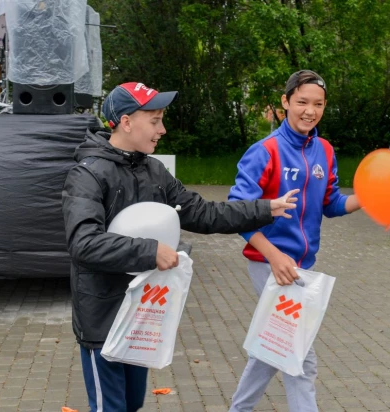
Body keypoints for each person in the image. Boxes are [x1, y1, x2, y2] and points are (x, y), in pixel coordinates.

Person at [61, 82, 299, 412]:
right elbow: (83, 243)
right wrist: (149, 251)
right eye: (155, 120)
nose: (163, 129)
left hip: (141, 313)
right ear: (127, 122)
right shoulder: (87, 174)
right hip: (102, 320)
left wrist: (264, 208)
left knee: (131, 404)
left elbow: (203, 213)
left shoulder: (154, 170)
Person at [227, 70, 361, 412]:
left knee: (273, 348)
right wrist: (273, 256)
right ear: (285, 102)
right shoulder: (265, 151)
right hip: (269, 264)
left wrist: (367, 197)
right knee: (301, 355)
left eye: (317, 104)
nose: (309, 111)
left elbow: (331, 203)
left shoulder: (325, 150)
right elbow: (236, 213)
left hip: (303, 267)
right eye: (302, 102)